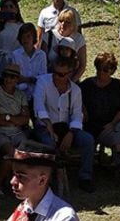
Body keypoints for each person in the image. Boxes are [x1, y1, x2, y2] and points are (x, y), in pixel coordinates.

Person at [33, 56, 95, 192]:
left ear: (70, 74)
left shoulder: (75, 90)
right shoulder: (43, 82)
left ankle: (85, 177)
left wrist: (71, 133)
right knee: (48, 144)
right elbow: (38, 107)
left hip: (67, 128)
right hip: (45, 126)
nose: (57, 76)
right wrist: (49, 127)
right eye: (55, 72)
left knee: (88, 140)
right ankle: (48, 180)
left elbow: (77, 114)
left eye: (61, 74)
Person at [80, 53, 120, 171]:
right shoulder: (87, 85)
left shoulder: (118, 86)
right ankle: (119, 164)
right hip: (90, 127)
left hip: (111, 126)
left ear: (112, 70)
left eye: (104, 70)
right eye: (98, 68)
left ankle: (119, 162)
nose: (100, 72)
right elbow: (76, 101)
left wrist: (112, 123)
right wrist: (83, 110)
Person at [0, 63, 30, 191]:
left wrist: (7, 117)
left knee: (26, 153)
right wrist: (15, 119)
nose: (8, 79)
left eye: (12, 77)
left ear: (17, 79)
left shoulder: (21, 95)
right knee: (11, 153)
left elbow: (25, 119)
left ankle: (20, 185)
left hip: (17, 132)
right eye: (6, 76)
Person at [10, 23, 46, 101]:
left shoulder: (41, 55)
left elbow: (43, 78)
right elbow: (16, 77)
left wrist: (26, 79)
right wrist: (31, 79)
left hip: (37, 94)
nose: (25, 39)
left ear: (33, 37)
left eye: (28, 36)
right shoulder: (15, 54)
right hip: (20, 95)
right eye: (23, 37)